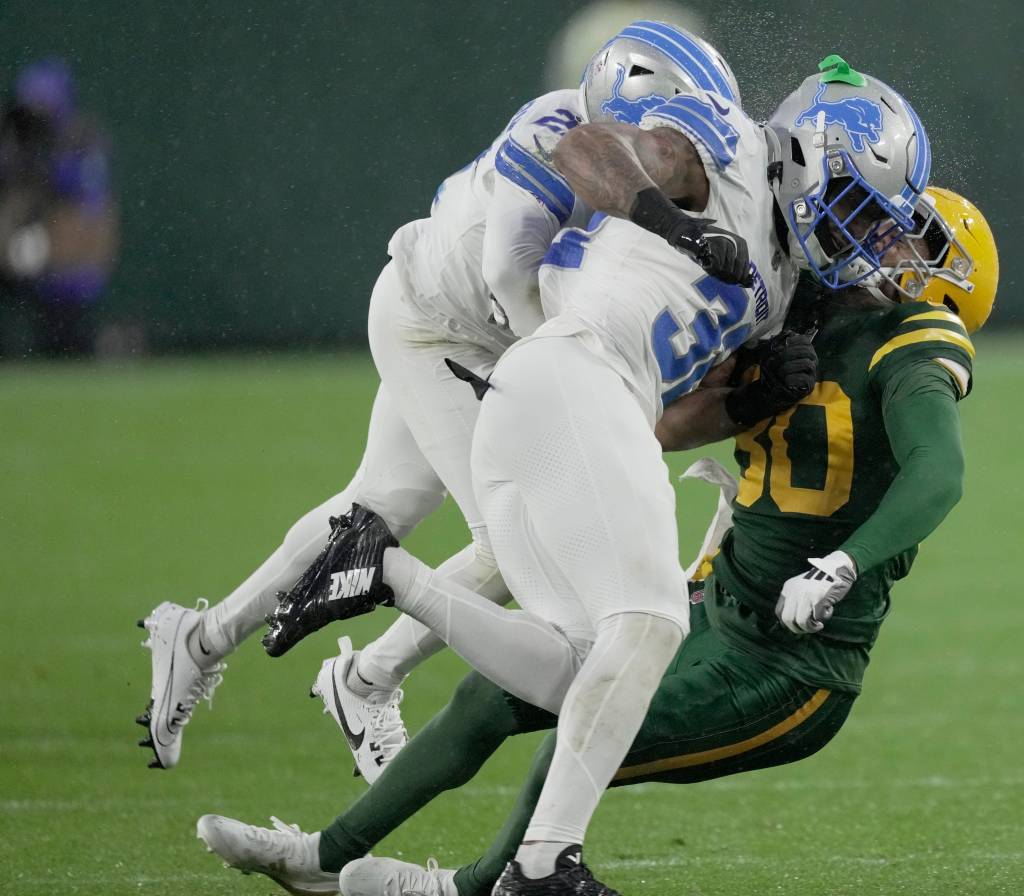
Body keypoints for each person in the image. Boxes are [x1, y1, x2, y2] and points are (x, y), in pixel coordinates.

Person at [197, 186, 995, 896]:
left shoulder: (917, 341)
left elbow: (939, 475)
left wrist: (845, 562)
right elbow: (660, 427)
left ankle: (471, 887)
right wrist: (750, 392)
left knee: (588, 730)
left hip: (788, 667)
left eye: (912, 238)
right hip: (715, 606)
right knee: (487, 696)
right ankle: (324, 857)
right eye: (888, 221)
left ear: (951, 284)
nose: (883, 240)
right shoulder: (798, 307)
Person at [137, 21, 744, 773]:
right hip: (442, 324)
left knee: (377, 504)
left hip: (474, 328)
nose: (695, 157)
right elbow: (510, 277)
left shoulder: (632, 156)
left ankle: (198, 640)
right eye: (678, 136)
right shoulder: (556, 140)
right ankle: (366, 679)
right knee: (510, 539)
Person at [0, 58, 118, 356]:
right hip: (21, 232)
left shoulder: (80, 136)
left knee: (64, 332)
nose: (37, 112)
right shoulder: (13, 136)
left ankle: (81, 342)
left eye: (45, 104)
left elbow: (88, 197)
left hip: (63, 237)